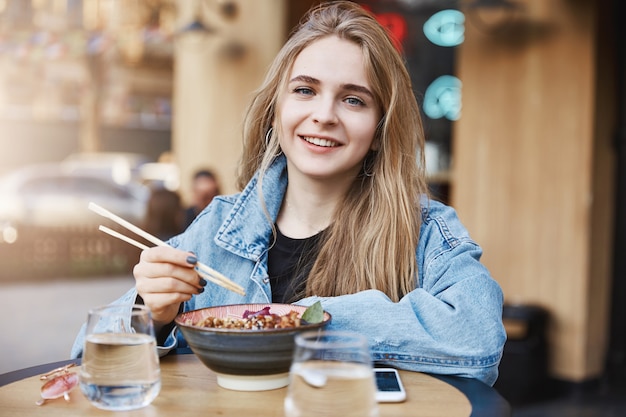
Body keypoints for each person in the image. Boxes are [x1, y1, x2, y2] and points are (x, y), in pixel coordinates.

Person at [72, 1, 505, 385]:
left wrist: (308, 323)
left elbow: (479, 339)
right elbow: (84, 355)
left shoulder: (426, 229)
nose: (324, 115)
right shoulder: (220, 228)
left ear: (378, 130)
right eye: (305, 90)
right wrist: (150, 314)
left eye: (354, 100)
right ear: (277, 111)